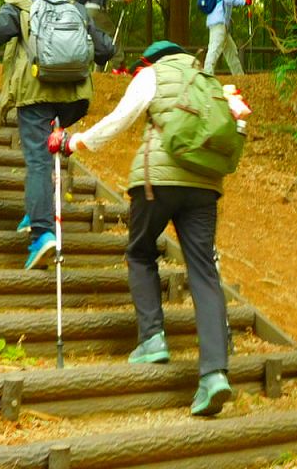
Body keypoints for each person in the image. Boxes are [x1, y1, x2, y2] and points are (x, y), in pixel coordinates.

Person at [69, 40, 235, 417]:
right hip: (205, 186)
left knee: (141, 252)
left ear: (153, 58)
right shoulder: (206, 79)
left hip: (155, 182)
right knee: (204, 273)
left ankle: (152, 338)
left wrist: (77, 141)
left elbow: (120, 119)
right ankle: (214, 375)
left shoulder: (152, 74)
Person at [0, 0, 95, 270]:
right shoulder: (77, 8)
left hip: (35, 91)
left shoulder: (21, 4)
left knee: (39, 159)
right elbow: (106, 49)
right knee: (50, 154)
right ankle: (36, 208)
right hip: (74, 98)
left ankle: (42, 232)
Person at [204, 0, 250, 76]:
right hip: (219, 21)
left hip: (218, 21)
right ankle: (207, 76)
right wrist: (244, 1)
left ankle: (240, 77)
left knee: (231, 51)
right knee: (214, 49)